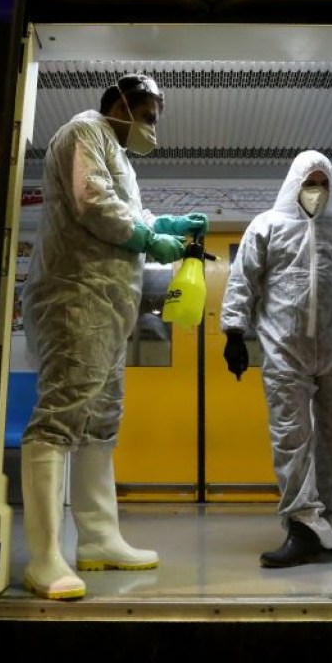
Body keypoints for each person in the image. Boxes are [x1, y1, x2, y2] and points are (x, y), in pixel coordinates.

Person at [19, 73, 208, 600]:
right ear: (121, 103)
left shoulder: (120, 157)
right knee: (61, 414)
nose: (152, 127)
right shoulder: (86, 130)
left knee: (101, 419)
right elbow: (93, 202)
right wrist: (150, 237)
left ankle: (98, 539)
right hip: (73, 295)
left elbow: (130, 211)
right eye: (148, 115)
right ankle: (44, 557)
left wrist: (163, 222)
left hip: (108, 305)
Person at [220, 150, 332, 568]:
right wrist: (234, 332)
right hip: (285, 350)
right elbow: (243, 278)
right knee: (290, 438)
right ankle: (301, 525)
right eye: (310, 182)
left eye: (323, 183)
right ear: (295, 183)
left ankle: (330, 526)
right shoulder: (268, 225)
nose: (317, 191)